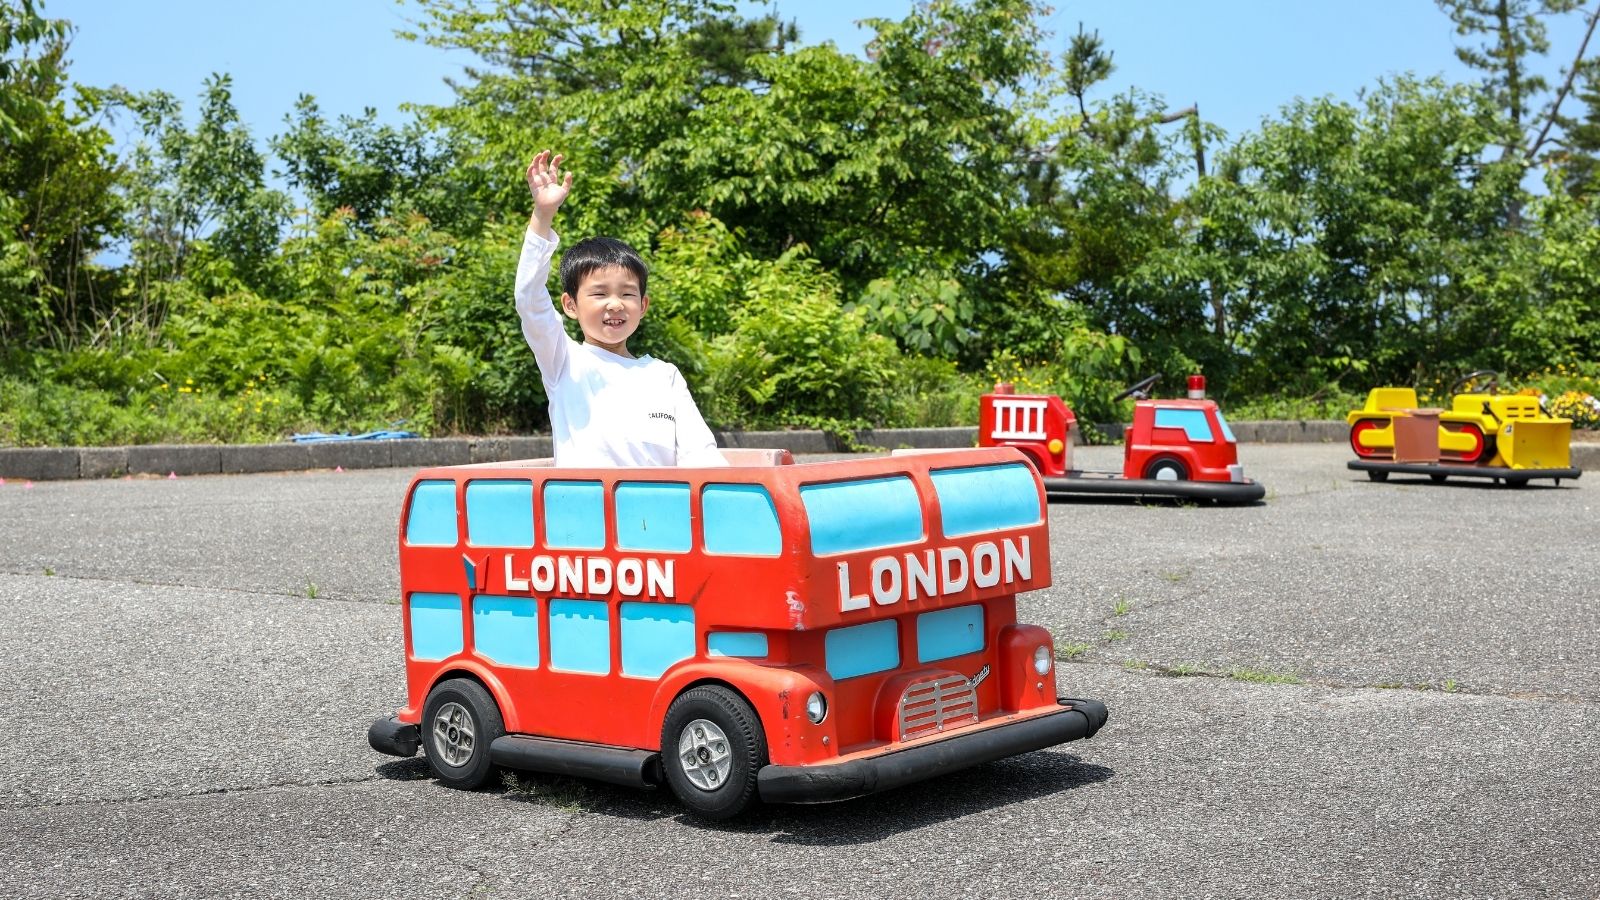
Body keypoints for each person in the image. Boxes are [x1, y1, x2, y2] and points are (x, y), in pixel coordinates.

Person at [514, 150, 726, 467]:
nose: (615, 304)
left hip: (658, 502)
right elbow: (529, 298)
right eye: (599, 293)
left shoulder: (664, 375)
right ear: (570, 305)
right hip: (588, 501)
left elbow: (701, 454)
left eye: (627, 294)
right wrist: (543, 215)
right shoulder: (564, 361)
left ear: (643, 305)